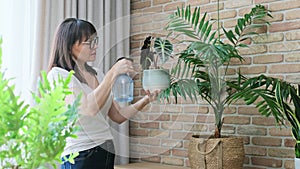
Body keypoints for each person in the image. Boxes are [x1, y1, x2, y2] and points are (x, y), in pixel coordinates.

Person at [47, 18, 158, 169]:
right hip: (81, 154)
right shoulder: (59, 75)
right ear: (69, 45)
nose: (96, 46)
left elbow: (118, 115)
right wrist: (113, 73)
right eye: (89, 42)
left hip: (106, 149)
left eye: (96, 41)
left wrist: (146, 99)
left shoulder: (98, 74)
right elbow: (88, 109)